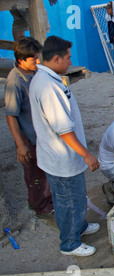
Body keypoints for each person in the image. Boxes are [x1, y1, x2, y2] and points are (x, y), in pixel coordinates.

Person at [29, 36, 100, 257]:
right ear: (57, 58)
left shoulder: (51, 78)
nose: (71, 61)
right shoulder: (48, 87)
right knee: (67, 201)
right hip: (62, 158)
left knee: (76, 197)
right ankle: (69, 243)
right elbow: (64, 130)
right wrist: (87, 155)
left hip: (65, 157)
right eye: (68, 57)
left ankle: (78, 227)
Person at [4, 37, 53, 219]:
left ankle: (48, 200)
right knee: (35, 175)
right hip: (30, 138)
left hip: (43, 135)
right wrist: (20, 144)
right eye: (34, 59)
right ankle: (40, 206)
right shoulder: (15, 82)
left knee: (46, 170)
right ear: (21, 60)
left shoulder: (35, 72)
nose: (38, 61)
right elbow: (11, 116)